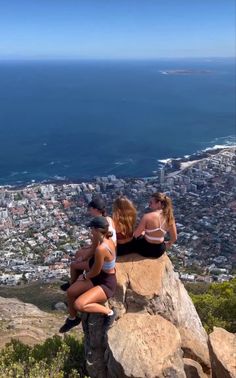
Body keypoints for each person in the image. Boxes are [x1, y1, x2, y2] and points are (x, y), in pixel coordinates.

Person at [59, 216, 117, 333]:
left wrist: (85, 276)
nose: (90, 231)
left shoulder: (102, 249)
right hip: (98, 277)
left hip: (106, 283)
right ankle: (73, 318)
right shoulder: (105, 239)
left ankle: (109, 313)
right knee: (71, 292)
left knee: (79, 304)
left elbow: (95, 270)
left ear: (96, 230)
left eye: (92, 229)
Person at [60, 197, 116, 291]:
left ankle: (73, 284)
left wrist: (83, 258)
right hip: (112, 252)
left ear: (96, 209)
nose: (89, 212)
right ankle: (77, 280)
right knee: (80, 253)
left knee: (76, 261)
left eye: (90, 209)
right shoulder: (109, 220)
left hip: (103, 257)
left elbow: (95, 249)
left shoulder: (98, 226)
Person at [134, 192, 177, 258]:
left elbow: (136, 235)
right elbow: (174, 238)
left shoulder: (147, 217)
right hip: (159, 251)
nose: (149, 205)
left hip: (146, 250)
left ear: (159, 203)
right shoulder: (169, 217)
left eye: (151, 203)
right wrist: (168, 244)